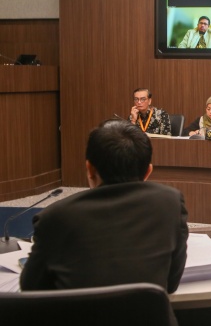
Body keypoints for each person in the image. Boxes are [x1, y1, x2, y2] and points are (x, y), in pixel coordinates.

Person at [20, 120, 189, 297]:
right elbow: (170, 283)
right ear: (148, 172)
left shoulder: (54, 217)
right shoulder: (170, 203)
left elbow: (32, 290)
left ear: (90, 169)